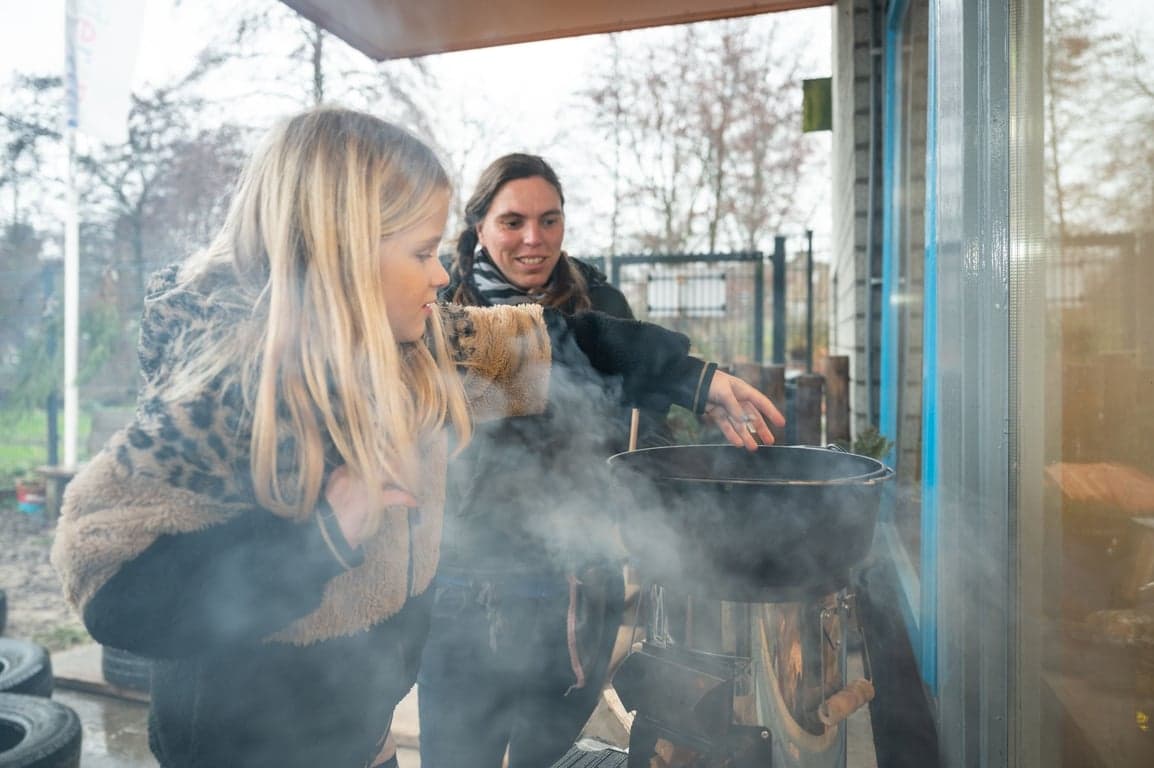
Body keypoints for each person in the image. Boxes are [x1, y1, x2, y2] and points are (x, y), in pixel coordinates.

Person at [50, 106, 783, 768]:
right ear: (339, 251)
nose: (441, 273)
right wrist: (324, 536)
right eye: (420, 252)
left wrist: (695, 380)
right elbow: (111, 587)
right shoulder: (229, 391)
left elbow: (561, 344)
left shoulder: (418, 352)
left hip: (364, 740)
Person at [417, 153, 667, 767]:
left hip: (575, 587)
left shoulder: (599, 300)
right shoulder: (435, 302)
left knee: (551, 757)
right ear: (479, 226)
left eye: (550, 220)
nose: (535, 239)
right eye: (513, 222)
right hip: (460, 586)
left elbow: (639, 420)